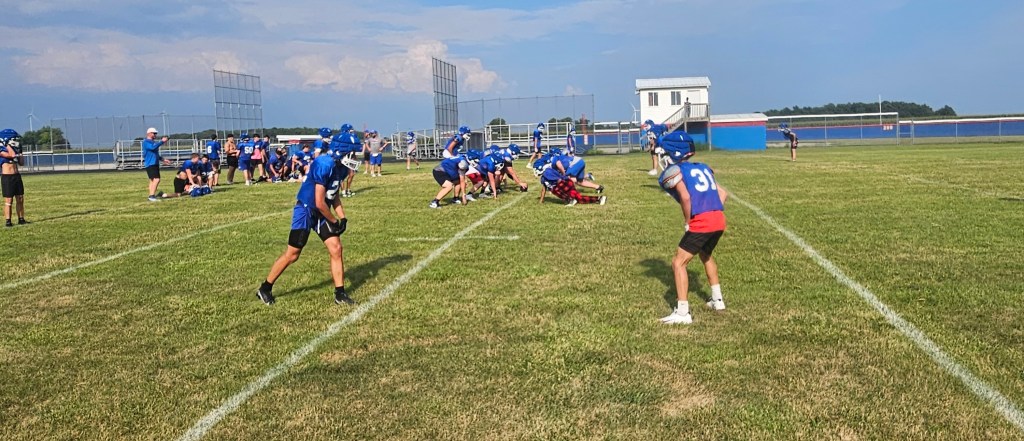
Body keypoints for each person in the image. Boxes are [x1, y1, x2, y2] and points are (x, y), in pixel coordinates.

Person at [256, 140, 357, 306]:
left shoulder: (342, 168)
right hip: (306, 209)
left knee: (336, 248)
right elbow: (318, 201)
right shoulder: (324, 164)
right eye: (352, 153)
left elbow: (333, 194)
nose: (354, 156)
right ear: (342, 152)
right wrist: (333, 220)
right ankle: (265, 288)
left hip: (321, 211)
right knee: (293, 254)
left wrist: (342, 217)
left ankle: (340, 293)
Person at [657, 148, 729, 325]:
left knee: (678, 262)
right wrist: (711, 210)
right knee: (706, 255)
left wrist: (688, 221)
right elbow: (723, 193)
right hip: (718, 218)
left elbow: (686, 198)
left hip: (702, 221)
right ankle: (717, 300)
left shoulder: (679, 171)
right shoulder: (704, 167)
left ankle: (683, 313)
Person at [538, 160, 606, 206]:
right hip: (566, 183)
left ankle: (572, 200)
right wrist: (541, 201)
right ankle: (599, 199)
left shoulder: (547, 172)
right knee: (579, 199)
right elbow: (544, 189)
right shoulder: (544, 177)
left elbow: (559, 181)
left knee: (555, 190)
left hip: (566, 183)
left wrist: (567, 196)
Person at [0, 129, 28, 226]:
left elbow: (21, 163)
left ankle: (21, 218)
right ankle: (8, 221)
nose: (16, 141)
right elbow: (11, 155)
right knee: (9, 200)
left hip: (16, 176)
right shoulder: (2, 149)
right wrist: (7, 144)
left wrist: (20, 153)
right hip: (7, 177)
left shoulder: (16, 148)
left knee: (20, 198)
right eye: (14, 139)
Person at [142, 127, 172, 202]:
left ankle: (151, 195)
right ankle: (152, 196)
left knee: (152, 180)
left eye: (156, 133)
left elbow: (155, 153)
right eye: (154, 133)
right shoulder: (146, 142)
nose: (155, 135)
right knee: (156, 179)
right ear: (149, 133)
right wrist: (162, 142)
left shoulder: (153, 142)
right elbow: (152, 148)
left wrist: (163, 159)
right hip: (150, 163)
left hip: (154, 163)